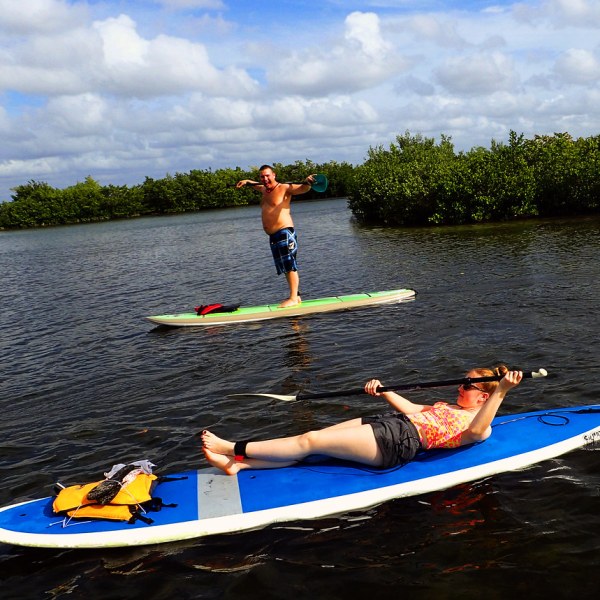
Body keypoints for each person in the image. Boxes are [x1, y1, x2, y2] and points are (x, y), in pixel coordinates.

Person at [202, 365, 523, 474]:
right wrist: (382, 390)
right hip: (391, 423)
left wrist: (503, 390)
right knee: (314, 441)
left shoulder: (476, 425)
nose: (460, 386)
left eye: (467, 384)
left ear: (483, 397)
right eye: (461, 380)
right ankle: (242, 464)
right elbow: (411, 408)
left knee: (309, 442)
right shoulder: (448, 407)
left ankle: (233, 447)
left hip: (397, 442)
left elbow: (480, 430)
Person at [236, 165, 316, 307]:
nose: (265, 179)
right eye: (262, 176)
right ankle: (296, 296)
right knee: (284, 267)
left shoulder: (284, 187)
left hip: (285, 231)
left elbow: (303, 188)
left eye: (267, 175)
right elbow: (255, 185)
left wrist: (308, 182)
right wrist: (246, 181)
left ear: (274, 175)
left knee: (290, 265)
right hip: (273, 236)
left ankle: (292, 298)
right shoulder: (263, 189)